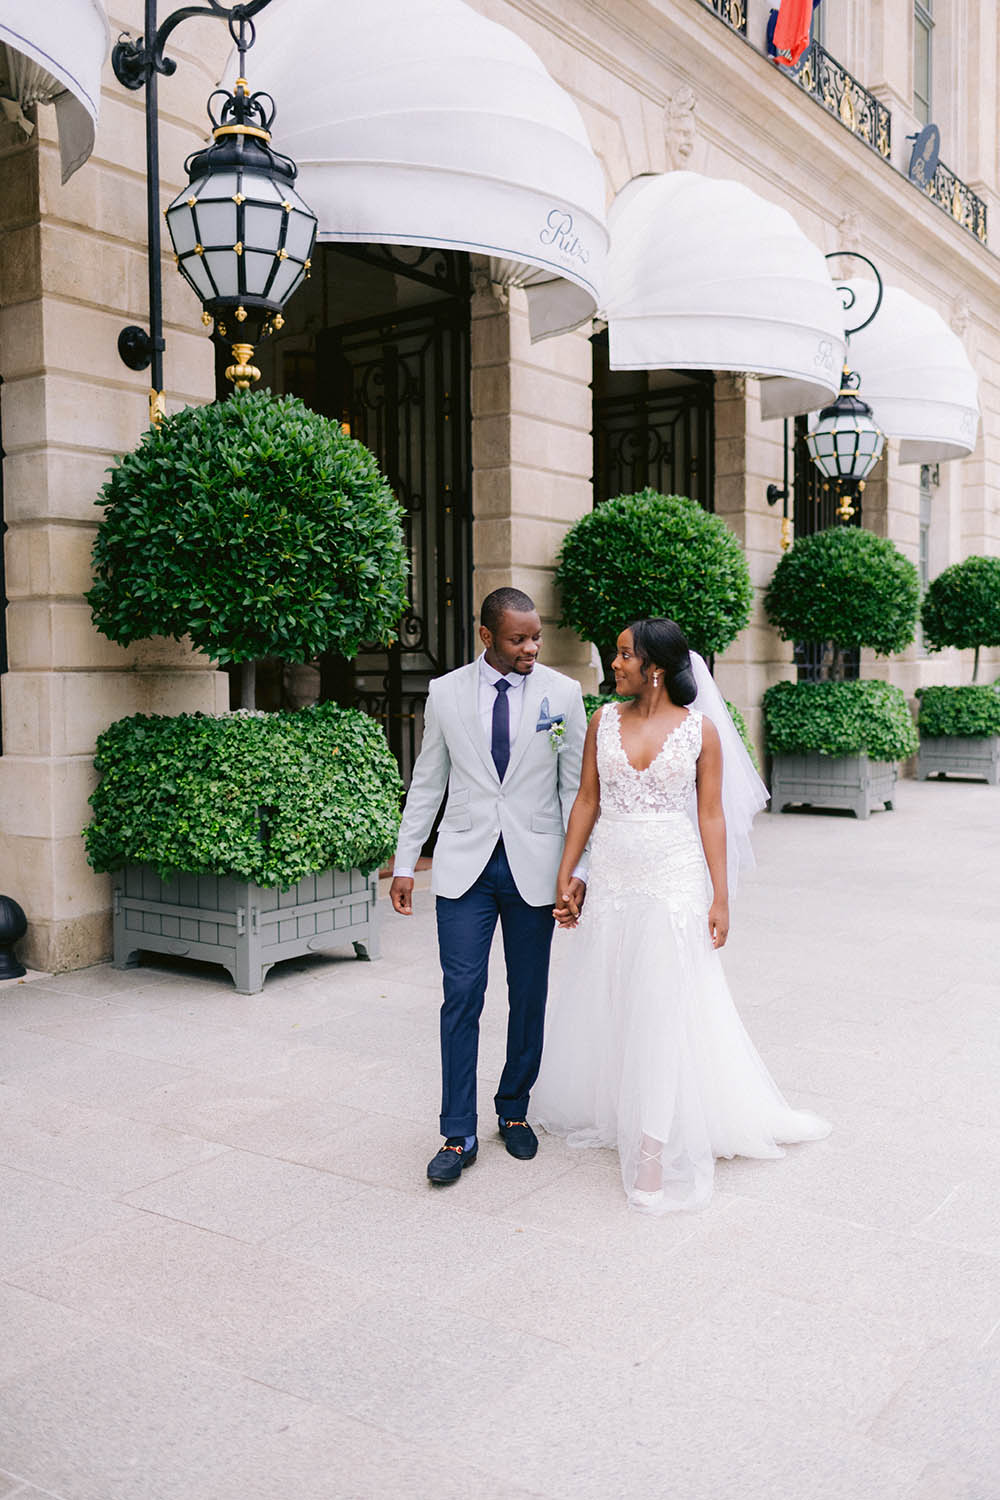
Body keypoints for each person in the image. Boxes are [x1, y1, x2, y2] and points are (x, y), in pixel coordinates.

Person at [533, 618, 830, 1213]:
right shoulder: (601, 722)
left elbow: (712, 817)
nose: (612, 664)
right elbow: (587, 800)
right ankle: (626, 1109)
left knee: (664, 1005)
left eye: (622, 656)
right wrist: (568, 875)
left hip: (674, 883)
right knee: (619, 995)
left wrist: (721, 897)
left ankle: (652, 1152)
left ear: (656, 670)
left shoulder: (701, 734)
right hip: (615, 877)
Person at [390, 587, 588, 1185]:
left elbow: (576, 789)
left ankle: (514, 1109)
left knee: (529, 994)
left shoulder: (564, 693)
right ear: (486, 637)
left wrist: (575, 873)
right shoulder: (445, 691)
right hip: (464, 866)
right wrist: (405, 862)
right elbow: (427, 781)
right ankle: (457, 1131)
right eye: (517, 639)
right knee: (462, 994)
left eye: (535, 638)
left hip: (536, 864)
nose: (531, 648)